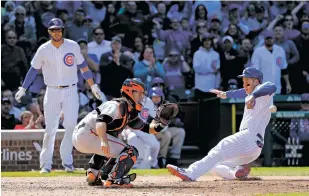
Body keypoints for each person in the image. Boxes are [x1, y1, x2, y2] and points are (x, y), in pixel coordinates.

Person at [14, 18, 105, 174]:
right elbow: (33, 70)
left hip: (71, 89)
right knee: (50, 129)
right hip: (52, 90)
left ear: (63, 30)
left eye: (59, 29)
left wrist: (92, 85)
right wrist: (23, 88)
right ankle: (46, 164)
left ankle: (67, 162)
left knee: (70, 126)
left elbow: (83, 66)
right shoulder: (43, 49)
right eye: (54, 30)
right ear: (49, 31)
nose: (57, 32)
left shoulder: (72, 45)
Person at [167, 67, 277, 181]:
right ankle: (236, 173)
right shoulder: (252, 92)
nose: (244, 84)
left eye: (247, 82)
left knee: (220, 148)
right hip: (254, 148)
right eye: (243, 82)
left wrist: (253, 96)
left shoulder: (262, 92)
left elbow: (272, 86)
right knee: (213, 163)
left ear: (257, 81)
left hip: (249, 137)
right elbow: (242, 92)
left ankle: (190, 173)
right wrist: (226, 94)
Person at [72, 78, 177, 188]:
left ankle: (93, 174)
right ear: (130, 92)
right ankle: (114, 180)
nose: (142, 97)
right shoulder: (117, 105)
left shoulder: (129, 111)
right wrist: (103, 140)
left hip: (84, 136)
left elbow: (147, 128)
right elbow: (101, 121)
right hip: (88, 133)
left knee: (114, 142)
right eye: (140, 93)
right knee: (131, 152)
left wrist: (163, 123)